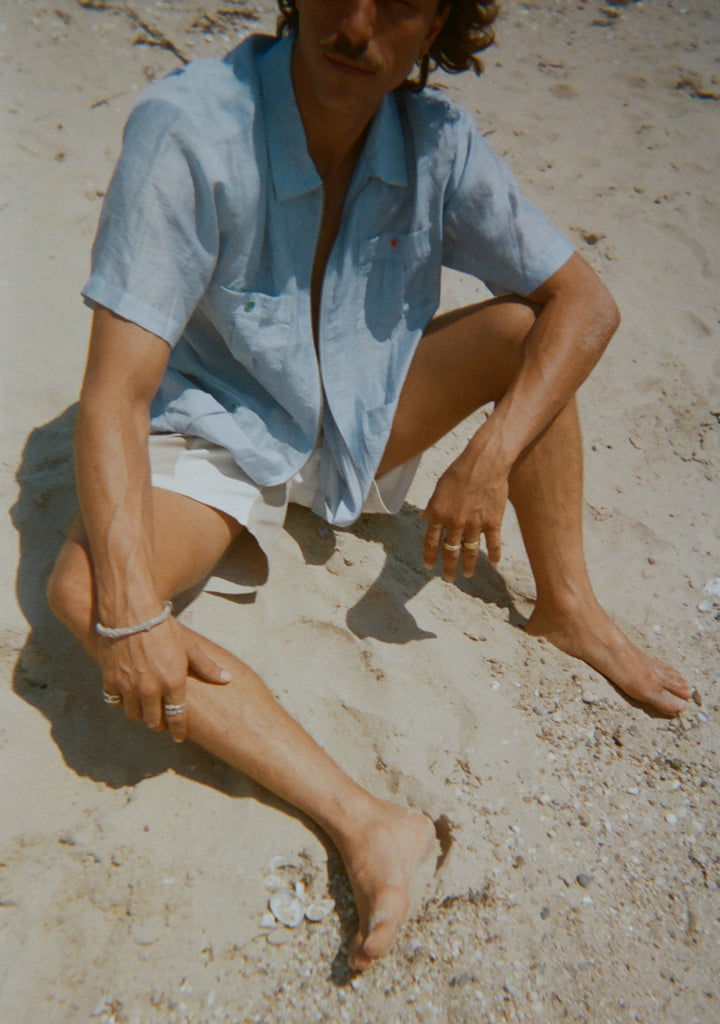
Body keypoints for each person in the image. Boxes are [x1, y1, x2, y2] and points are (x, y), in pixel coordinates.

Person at [47, 0, 693, 971]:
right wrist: (135, 621)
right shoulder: (192, 122)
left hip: (362, 416)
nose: (357, 26)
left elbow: (586, 303)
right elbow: (114, 395)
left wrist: (490, 451)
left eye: (397, 4)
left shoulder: (438, 143)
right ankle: (366, 820)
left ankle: (568, 606)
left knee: (534, 335)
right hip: (220, 421)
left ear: (437, 25)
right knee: (89, 593)